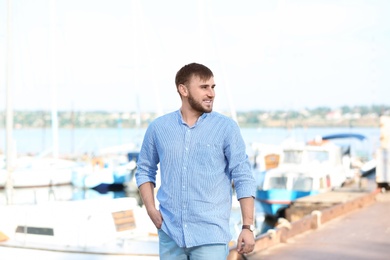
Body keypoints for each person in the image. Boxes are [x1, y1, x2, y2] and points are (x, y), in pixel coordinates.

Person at [135, 62, 256, 259]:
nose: (211, 93)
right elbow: (144, 170)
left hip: (211, 236)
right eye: (204, 87)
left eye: (213, 87)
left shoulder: (226, 128)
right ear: (183, 90)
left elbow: (243, 176)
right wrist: (150, 209)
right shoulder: (158, 128)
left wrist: (247, 227)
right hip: (170, 234)